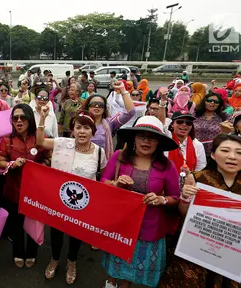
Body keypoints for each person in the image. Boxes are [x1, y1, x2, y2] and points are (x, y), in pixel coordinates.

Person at [101, 116, 180, 288]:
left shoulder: (167, 166)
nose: (146, 141)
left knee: (130, 274)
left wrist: (161, 200)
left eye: (152, 138)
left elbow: (175, 197)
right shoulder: (119, 156)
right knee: (114, 270)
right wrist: (116, 184)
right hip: (120, 225)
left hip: (149, 229)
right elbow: (103, 182)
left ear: (159, 142)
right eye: (141, 136)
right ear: (134, 138)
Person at [159, 134, 241, 288]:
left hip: (232, 252)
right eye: (225, 150)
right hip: (197, 247)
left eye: (239, 153)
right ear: (213, 155)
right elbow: (183, 212)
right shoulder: (198, 179)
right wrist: (185, 197)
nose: (233, 157)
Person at [37, 109, 107, 284]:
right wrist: (43, 118)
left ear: (93, 131)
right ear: (72, 130)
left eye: (86, 128)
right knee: (56, 232)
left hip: (82, 204)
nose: (82, 131)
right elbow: (40, 142)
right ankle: (54, 259)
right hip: (59, 200)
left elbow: (103, 176)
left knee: (76, 234)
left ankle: (72, 262)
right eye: (78, 127)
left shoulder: (99, 152)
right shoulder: (62, 143)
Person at [0, 104, 51, 269]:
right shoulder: (6, 140)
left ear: (29, 119)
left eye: (23, 117)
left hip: (36, 192)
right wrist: (12, 164)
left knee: (34, 223)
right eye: (15, 118)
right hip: (14, 191)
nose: (19, 121)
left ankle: (32, 253)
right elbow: (0, 162)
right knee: (17, 224)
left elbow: (49, 158)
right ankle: (18, 253)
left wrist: (42, 165)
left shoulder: (40, 138)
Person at [83, 86, 135, 159]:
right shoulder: (80, 122)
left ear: (104, 108)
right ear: (88, 107)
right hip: (82, 160)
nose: (97, 106)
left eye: (101, 105)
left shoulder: (110, 122)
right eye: (93, 104)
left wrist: (123, 90)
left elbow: (131, 112)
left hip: (102, 163)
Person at [194, 91, 228, 156]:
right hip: (195, 151)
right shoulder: (194, 115)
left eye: (216, 102)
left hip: (214, 153)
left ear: (219, 104)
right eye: (210, 100)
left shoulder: (224, 117)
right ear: (204, 101)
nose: (212, 103)